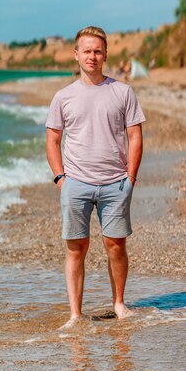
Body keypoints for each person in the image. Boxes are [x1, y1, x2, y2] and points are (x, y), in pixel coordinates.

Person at [46, 26, 145, 329]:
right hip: (75, 182)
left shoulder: (123, 91)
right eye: (86, 51)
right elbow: (52, 140)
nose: (92, 56)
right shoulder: (63, 97)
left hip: (116, 182)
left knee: (115, 244)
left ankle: (119, 304)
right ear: (76, 54)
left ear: (105, 55)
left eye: (97, 51)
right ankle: (75, 314)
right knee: (77, 247)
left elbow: (135, 136)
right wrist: (61, 179)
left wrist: (130, 178)